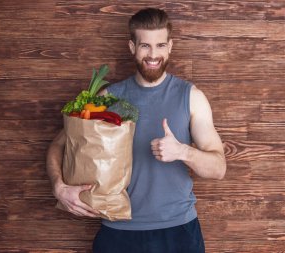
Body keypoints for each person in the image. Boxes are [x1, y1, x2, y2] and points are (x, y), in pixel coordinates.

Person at [46, 8, 226, 253]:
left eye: (160, 45)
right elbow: (58, 145)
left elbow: (219, 168)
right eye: (145, 46)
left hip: (179, 233)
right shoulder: (107, 98)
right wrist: (59, 187)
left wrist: (183, 152)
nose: (153, 55)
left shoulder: (192, 97)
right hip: (119, 233)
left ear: (170, 46)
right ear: (132, 47)